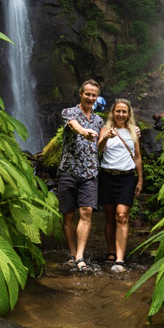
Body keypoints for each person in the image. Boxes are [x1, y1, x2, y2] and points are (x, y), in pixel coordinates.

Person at [58, 79, 104, 272]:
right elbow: (73, 125)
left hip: (90, 172)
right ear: (81, 93)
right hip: (68, 170)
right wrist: (84, 132)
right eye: (88, 94)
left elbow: (105, 140)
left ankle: (80, 257)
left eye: (94, 95)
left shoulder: (99, 121)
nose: (90, 98)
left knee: (86, 213)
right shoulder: (69, 112)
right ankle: (72, 252)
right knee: (68, 216)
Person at [97, 98, 143, 273]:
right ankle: (110, 251)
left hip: (126, 178)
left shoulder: (134, 132)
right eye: (118, 111)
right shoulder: (106, 129)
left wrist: (140, 180)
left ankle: (120, 259)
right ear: (113, 112)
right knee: (109, 217)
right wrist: (105, 138)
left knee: (122, 216)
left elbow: (137, 156)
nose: (121, 114)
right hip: (108, 176)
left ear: (128, 114)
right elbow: (99, 148)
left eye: (124, 111)